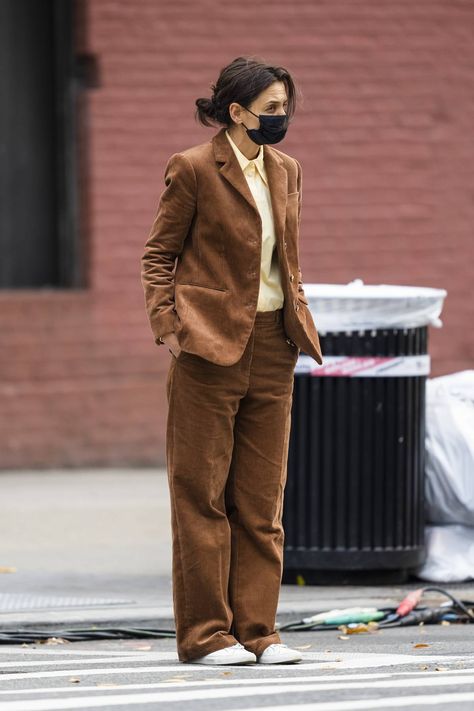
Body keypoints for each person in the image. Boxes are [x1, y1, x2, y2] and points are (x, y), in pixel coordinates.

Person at [141, 56, 323, 666]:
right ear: (237, 111)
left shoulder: (288, 170)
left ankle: (258, 632)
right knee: (201, 497)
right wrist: (171, 329)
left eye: (286, 108)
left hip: (274, 345)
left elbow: (283, 258)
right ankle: (205, 635)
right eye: (271, 109)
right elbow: (158, 255)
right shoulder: (193, 168)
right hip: (208, 350)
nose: (282, 119)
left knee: (262, 500)